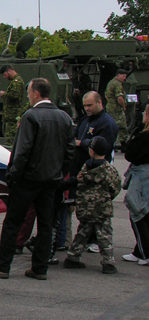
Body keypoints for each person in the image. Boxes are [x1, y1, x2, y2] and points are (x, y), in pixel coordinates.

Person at [0, 77, 75, 281]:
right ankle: (40, 268)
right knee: (46, 225)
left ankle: (3, 266)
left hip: (27, 180)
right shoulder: (64, 118)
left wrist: (13, 176)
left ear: (36, 93)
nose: (28, 96)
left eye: (29, 93)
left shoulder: (31, 116)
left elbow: (22, 151)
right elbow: (70, 151)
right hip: (50, 181)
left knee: (13, 223)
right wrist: (58, 173)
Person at [62, 136, 122, 274]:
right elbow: (115, 187)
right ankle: (108, 262)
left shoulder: (86, 167)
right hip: (102, 208)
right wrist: (107, 197)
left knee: (82, 232)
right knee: (105, 235)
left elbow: (79, 184)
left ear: (91, 151)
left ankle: (73, 256)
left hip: (85, 207)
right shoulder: (108, 169)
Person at [122, 106, 149, 265]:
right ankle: (139, 250)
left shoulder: (143, 136)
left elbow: (130, 153)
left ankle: (145, 251)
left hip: (142, 176)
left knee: (138, 213)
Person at [0, 65, 26, 148]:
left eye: (4, 74)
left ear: (9, 71)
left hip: (13, 115)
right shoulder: (15, 81)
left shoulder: (17, 81)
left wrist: (4, 94)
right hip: (11, 115)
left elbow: (14, 95)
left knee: (11, 141)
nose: (5, 77)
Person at [104, 69, 129, 148]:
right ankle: (123, 145)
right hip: (116, 109)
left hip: (110, 107)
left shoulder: (110, 83)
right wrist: (123, 106)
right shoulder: (117, 84)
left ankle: (111, 144)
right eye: (123, 76)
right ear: (118, 75)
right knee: (122, 126)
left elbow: (106, 95)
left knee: (111, 125)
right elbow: (120, 98)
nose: (124, 78)